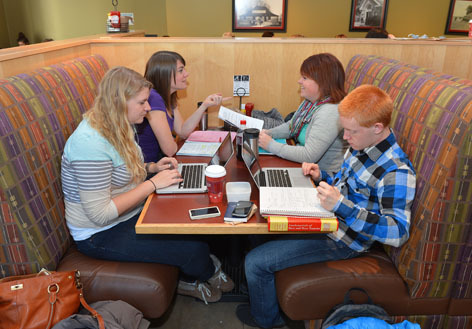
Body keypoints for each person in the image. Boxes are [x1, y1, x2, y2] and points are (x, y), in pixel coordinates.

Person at [236, 84, 416, 328]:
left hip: (344, 241)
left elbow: (398, 232)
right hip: (326, 217)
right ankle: (263, 298)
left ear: (377, 128)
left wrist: (343, 207)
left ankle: (267, 320)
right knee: (258, 225)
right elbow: (345, 183)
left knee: (255, 262)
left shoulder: (396, 170)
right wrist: (322, 175)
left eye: (351, 131)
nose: (345, 137)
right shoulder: (361, 145)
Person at [61, 66, 233, 304]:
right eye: (142, 102)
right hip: (99, 234)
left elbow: (119, 172)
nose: (149, 108)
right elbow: (100, 214)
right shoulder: (89, 145)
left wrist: (151, 168)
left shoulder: (119, 125)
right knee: (193, 248)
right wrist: (152, 183)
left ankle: (201, 268)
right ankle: (204, 274)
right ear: (119, 102)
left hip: (128, 212)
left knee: (195, 225)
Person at [258, 53, 347, 172]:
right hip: (303, 167)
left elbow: (309, 156)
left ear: (322, 82)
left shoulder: (330, 112)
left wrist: (270, 145)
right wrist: (269, 133)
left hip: (323, 180)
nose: (299, 81)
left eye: (305, 78)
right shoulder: (310, 103)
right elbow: (291, 126)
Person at [136, 51, 230, 163]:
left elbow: (182, 131)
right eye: (181, 70)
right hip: (148, 169)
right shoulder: (153, 98)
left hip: (159, 163)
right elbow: (170, 150)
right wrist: (172, 142)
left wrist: (204, 105)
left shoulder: (167, 96)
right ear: (165, 74)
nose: (186, 74)